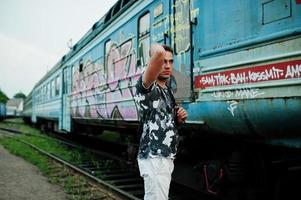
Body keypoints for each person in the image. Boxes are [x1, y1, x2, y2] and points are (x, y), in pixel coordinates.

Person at [134, 43, 188, 200]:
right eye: (163, 61)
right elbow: (157, 52)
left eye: (171, 61)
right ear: (154, 62)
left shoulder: (167, 90)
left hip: (165, 156)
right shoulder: (147, 87)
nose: (167, 65)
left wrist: (178, 119)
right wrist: (157, 52)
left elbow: (160, 121)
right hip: (154, 157)